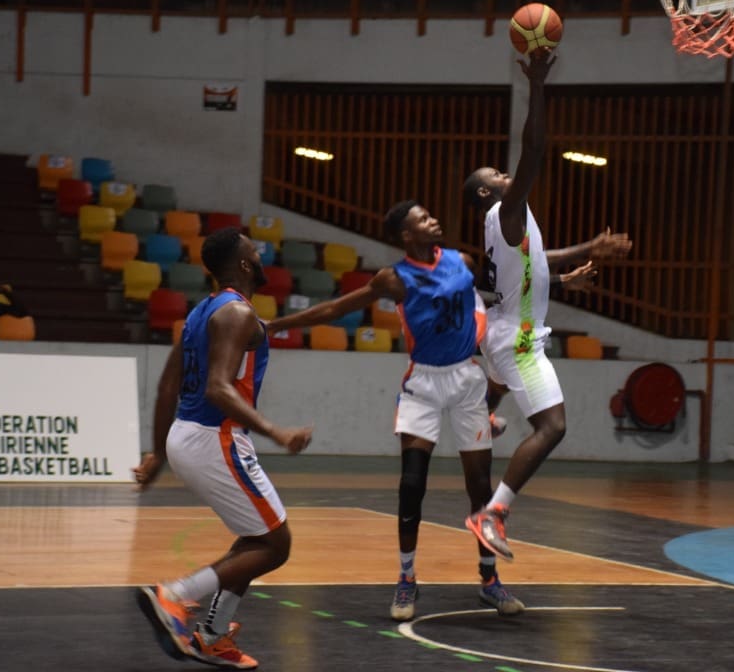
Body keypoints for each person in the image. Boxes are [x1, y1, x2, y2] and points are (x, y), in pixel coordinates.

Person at [265, 201, 596, 621]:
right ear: (407, 235)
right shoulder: (394, 278)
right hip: (423, 383)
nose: (433, 219)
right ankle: (406, 578)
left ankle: (489, 580)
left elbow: (509, 287)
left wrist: (563, 280)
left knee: (479, 485)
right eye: (422, 219)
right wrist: (276, 325)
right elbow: (336, 308)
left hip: (466, 381)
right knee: (411, 483)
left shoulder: (462, 262)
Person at [461, 51, 632, 561]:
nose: (505, 174)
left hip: (500, 329)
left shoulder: (505, 224)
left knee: (497, 384)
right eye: (497, 172)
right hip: (517, 337)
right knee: (552, 427)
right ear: (488, 190)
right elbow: (534, 149)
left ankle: (485, 414)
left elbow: (533, 258)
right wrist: (537, 84)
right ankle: (492, 513)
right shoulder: (505, 208)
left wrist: (578, 260)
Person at [132, 227, 314, 669]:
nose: (262, 256)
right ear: (246, 264)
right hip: (216, 438)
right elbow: (217, 387)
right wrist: (276, 431)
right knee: (276, 545)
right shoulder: (237, 313)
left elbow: (168, 385)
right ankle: (174, 596)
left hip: (188, 434)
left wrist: (159, 452)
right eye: (256, 251)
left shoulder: (202, 312)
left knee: (255, 538)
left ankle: (212, 636)